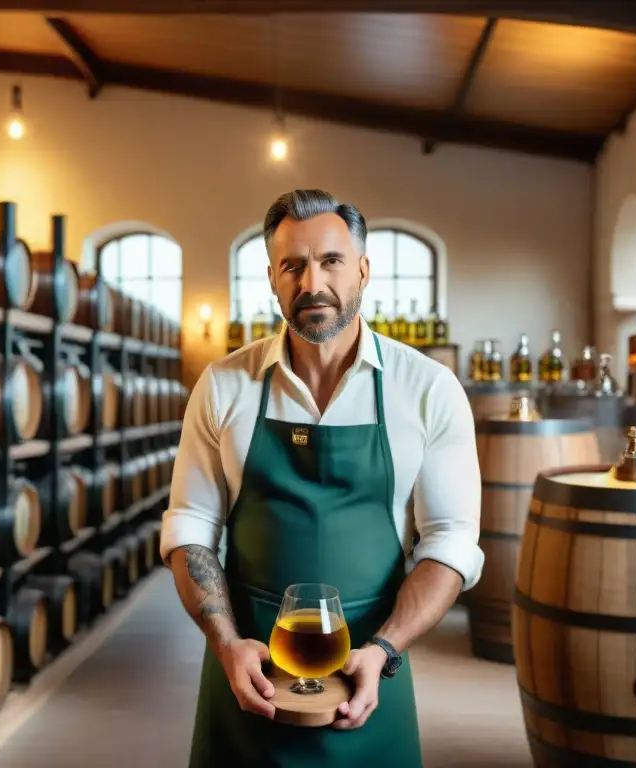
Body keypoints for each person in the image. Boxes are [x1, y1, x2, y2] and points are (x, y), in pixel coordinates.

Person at [160, 189, 484, 767]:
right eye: (293, 265)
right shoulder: (224, 385)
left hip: (370, 667)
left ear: (362, 268)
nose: (312, 281)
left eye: (331, 261)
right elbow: (190, 527)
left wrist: (385, 648)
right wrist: (227, 643)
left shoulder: (428, 389)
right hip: (248, 668)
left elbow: (451, 542)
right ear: (272, 277)